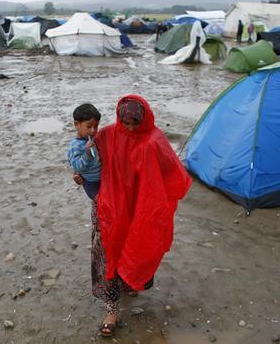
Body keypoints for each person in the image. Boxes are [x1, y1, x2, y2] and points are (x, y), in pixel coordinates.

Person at [77, 94, 192, 337]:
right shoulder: (108, 134)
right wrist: (81, 176)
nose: (129, 129)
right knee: (108, 256)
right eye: (125, 124)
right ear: (119, 119)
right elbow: (87, 159)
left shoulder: (154, 141)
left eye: (134, 124)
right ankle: (111, 311)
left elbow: (173, 173)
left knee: (136, 249)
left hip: (140, 210)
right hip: (109, 208)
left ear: (145, 119)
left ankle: (129, 282)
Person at [67, 103, 101, 200]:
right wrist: (87, 154)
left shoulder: (93, 139)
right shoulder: (75, 146)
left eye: (96, 126)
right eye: (89, 126)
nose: (93, 131)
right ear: (77, 124)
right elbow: (76, 167)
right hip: (90, 182)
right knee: (100, 202)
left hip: (102, 178)